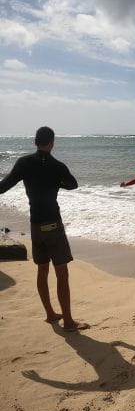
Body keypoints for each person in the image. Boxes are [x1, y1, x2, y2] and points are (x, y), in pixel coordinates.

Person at [0, 126, 89, 331]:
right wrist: (56, 182)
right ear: (52, 143)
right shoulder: (57, 166)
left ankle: (50, 314)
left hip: (35, 226)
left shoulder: (24, 163)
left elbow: (2, 187)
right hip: (53, 225)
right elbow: (73, 184)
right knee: (61, 273)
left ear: (35, 141)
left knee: (42, 269)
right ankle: (68, 321)